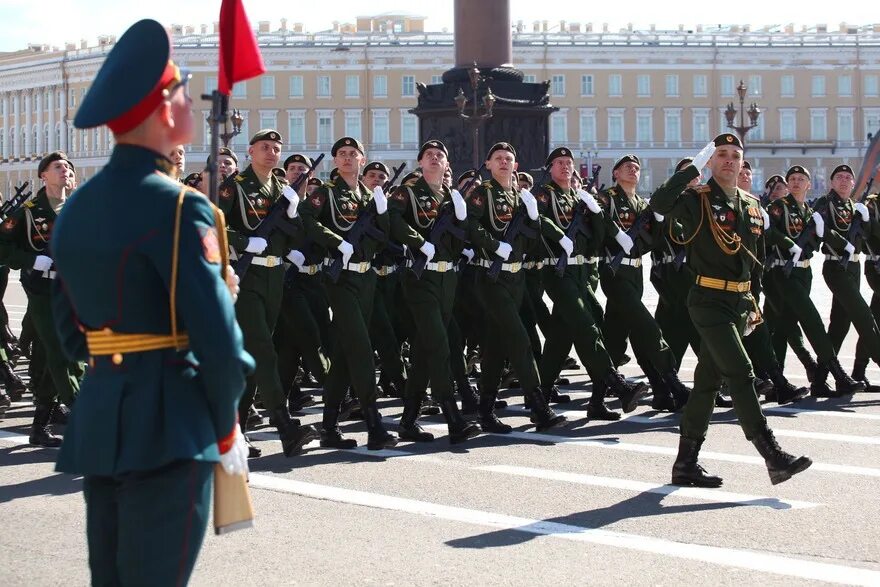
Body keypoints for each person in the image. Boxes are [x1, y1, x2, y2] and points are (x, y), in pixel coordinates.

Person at [49, 19, 253, 584]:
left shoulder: (75, 210)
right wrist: (225, 426)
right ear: (166, 109)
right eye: (185, 92)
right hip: (170, 426)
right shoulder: (180, 207)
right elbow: (221, 349)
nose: (194, 103)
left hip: (102, 422)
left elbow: (71, 336)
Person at [651, 133, 812, 487]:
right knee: (741, 372)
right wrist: (691, 167)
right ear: (711, 162)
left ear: (742, 162)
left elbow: (753, 261)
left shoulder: (751, 204)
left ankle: (685, 464)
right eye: (720, 154)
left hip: (738, 303)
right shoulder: (696, 198)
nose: (727, 160)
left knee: (708, 383)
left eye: (734, 155)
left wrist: (752, 301)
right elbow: (660, 204)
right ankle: (772, 454)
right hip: (708, 300)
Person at [218, 130, 319, 457]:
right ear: (250, 151)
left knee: (251, 359)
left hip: (275, 275)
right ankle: (284, 425)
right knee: (263, 349)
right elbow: (212, 224)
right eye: (265, 147)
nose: (272, 152)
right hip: (246, 277)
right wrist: (245, 242)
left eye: (277, 148)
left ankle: (234, 432)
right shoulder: (234, 185)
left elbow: (296, 237)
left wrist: (293, 212)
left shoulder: (281, 189)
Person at [534, 147, 648, 420]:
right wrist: (558, 235)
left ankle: (544, 402)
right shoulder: (543, 195)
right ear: (550, 168)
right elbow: (538, 222)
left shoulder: (580, 198)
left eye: (569, 163)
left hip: (583, 273)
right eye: (559, 162)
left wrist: (597, 214)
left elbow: (597, 240)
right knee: (588, 325)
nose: (565, 167)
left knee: (560, 341)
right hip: (558, 273)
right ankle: (617, 385)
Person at [300, 136, 398, 450]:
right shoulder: (326, 193)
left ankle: (329, 427)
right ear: (335, 160)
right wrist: (335, 241)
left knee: (344, 354)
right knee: (361, 347)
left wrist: (382, 211)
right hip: (339, 280)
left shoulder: (368, 195)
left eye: (352, 154)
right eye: (341, 154)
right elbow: (304, 220)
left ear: (361, 159)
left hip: (366, 278)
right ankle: (374, 423)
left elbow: (383, 237)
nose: (346, 158)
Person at [464, 142, 566, 432]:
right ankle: (538, 406)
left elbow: (532, 240)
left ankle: (485, 411)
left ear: (516, 166)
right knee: (520, 339)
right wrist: (495, 246)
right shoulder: (482, 193)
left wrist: (533, 219)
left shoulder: (521, 197)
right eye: (498, 159)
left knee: (496, 347)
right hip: (490, 278)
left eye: (509, 159)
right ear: (488, 164)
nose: (504, 162)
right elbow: (471, 226)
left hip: (516, 278)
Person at [388, 140, 481, 444]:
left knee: (425, 350)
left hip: (447, 280)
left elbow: (462, 235)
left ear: (446, 165)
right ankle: (453, 417)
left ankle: (407, 420)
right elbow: (392, 219)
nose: (435, 159)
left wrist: (462, 215)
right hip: (421, 279)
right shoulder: (409, 192)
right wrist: (419, 242)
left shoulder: (450, 198)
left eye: (440, 156)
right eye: (429, 155)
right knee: (440, 346)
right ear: (420, 162)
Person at [0, 151, 83, 444]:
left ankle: (40, 426)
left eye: (69, 168)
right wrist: (30, 261)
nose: (66, 172)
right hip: (44, 292)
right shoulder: (28, 212)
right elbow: (2, 247)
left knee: (59, 356)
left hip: (77, 291)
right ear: (43, 175)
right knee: (60, 351)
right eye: (58, 167)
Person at [596, 154, 691, 408]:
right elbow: (598, 227)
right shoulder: (607, 199)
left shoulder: (642, 205)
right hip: (613, 272)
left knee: (616, 335)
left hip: (635, 273)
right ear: (615, 173)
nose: (632, 170)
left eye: (636, 168)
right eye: (626, 167)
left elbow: (654, 242)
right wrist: (616, 232)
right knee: (647, 328)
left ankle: (598, 399)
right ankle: (671, 383)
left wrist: (658, 222)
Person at [765, 165, 863, 397]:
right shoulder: (779, 207)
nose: (796, 182)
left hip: (804, 272)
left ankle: (778, 385)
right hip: (784, 273)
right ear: (788, 184)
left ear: (809, 185)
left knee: (784, 326)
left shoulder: (808, 211)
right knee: (812, 321)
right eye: (793, 179)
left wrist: (845, 244)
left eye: (801, 179)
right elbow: (767, 233)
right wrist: (790, 244)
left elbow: (824, 233)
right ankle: (838, 374)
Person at [815, 164, 880, 386]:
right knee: (864, 316)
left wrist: (867, 220)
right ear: (832, 182)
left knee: (839, 325)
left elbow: (867, 235)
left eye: (848, 178)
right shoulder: (826, 203)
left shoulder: (855, 206)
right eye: (839, 177)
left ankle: (820, 379)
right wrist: (844, 243)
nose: (844, 181)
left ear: (853, 184)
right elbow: (822, 229)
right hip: (835, 266)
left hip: (854, 267)